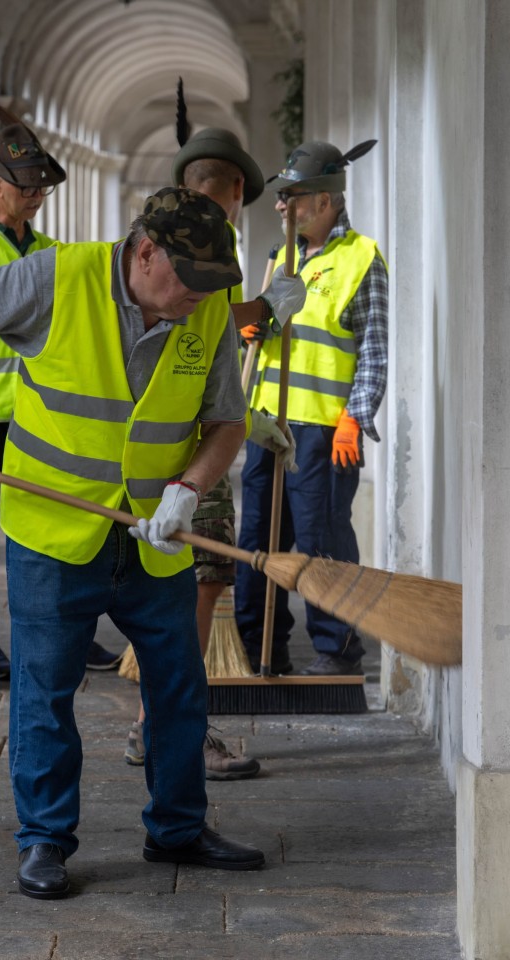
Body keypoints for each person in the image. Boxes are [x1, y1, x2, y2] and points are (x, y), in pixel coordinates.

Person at [0, 187, 274, 899]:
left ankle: (178, 829)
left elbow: (227, 422)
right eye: (189, 281)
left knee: (178, 687)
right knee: (44, 692)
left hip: (153, 537)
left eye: (212, 286)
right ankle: (45, 842)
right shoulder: (59, 277)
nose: (199, 299)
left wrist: (188, 487)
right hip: (54, 536)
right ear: (146, 252)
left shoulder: (205, 308)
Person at [124, 128, 302, 778]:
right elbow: (199, 323)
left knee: (195, 582)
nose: (235, 209)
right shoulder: (192, 243)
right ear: (226, 187)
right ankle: (166, 725)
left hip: (195, 431)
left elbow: (214, 353)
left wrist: (247, 420)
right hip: (178, 447)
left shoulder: (175, 234)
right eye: (236, 197)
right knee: (192, 585)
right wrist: (267, 308)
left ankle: (165, 720)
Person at [0, 107, 119, 680]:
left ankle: (72, 634)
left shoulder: (52, 252)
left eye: (40, 189)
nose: (34, 198)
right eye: (24, 188)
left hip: (40, 418)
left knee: (56, 530)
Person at [235, 140, 388, 677]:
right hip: (266, 426)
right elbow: (270, 337)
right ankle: (259, 645)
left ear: (325, 201)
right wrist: (251, 329)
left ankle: (338, 649)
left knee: (321, 540)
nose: (280, 207)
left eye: (292, 198)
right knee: (258, 538)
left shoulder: (361, 259)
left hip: (323, 431)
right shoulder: (283, 259)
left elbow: (372, 346)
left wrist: (356, 415)